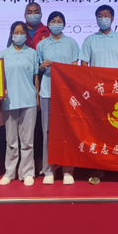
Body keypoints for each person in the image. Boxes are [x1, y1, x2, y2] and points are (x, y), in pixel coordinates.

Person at [79, 4, 118, 184]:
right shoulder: (89, 40)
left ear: (113, 18)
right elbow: (84, 67)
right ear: (96, 19)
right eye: (100, 16)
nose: (104, 19)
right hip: (98, 94)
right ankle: (99, 168)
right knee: (99, 132)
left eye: (107, 15)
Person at [35, 11, 80, 185]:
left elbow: (75, 68)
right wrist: (42, 66)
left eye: (59, 21)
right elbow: (38, 70)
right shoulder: (41, 44)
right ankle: (49, 170)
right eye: (53, 21)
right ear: (48, 24)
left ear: (64, 24)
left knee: (68, 132)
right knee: (47, 133)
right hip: (47, 93)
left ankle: (68, 170)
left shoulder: (71, 43)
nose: (56, 24)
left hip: (66, 95)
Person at [0, 21, 40, 186]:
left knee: (27, 140)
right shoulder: (3, 54)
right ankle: (10, 172)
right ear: (11, 34)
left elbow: (35, 77)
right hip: (9, 101)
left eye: (22, 32)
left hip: (28, 101)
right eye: (16, 32)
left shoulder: (32, 53)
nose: (19, 35)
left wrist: (36, 97)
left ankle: (27, 172)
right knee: (11, 140)